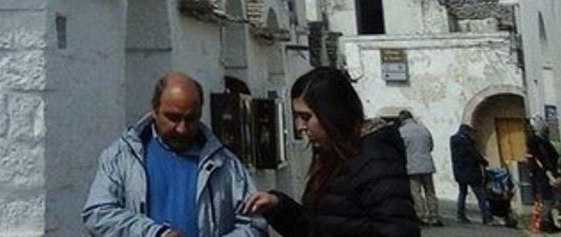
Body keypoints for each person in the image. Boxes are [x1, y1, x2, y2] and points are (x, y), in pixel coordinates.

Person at [83, 72, 266, 236]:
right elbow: (97, 214)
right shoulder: (122, 157)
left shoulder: (226, 164)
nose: (182, 128)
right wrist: (154, 234)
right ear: (155, 110)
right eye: (173, 118)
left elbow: (255, 225)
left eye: (190, 119)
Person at [242, 68, 419, 237]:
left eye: (306, 117)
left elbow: (399, 230)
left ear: (332, 113)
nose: (301, 127)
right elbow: (319, 229)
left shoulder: (376, 161)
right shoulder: (336, 158)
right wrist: (278, 207)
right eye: (297, 117)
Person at [396, 110, 440, 226]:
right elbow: (431, 145)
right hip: (427, 163)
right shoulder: (423, 129)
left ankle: (422, 216)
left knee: (415, 191)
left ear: (402, 119)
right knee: (430, 191)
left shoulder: (402, 131)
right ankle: (434, 216)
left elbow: (401, 149)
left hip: (412, 165)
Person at [449, 123, 490, 224]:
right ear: (467, 131)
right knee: (480, 195)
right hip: (471, 171)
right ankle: (486, 217)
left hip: (459, 171)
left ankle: (460, 215)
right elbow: (473, 154)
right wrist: (484, 162)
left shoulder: (453, 140)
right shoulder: (466, 141)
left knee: (462, 193)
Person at [527, 117, 561, 233]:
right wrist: (551, 176)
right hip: (543, 175)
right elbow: (542, 160)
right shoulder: (536, 142)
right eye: (543, 125)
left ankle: (548, 223)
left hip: (547, 173)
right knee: (548, 200)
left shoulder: (543, 141)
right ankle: (545, 223)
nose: (546, 128)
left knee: (551, 199)